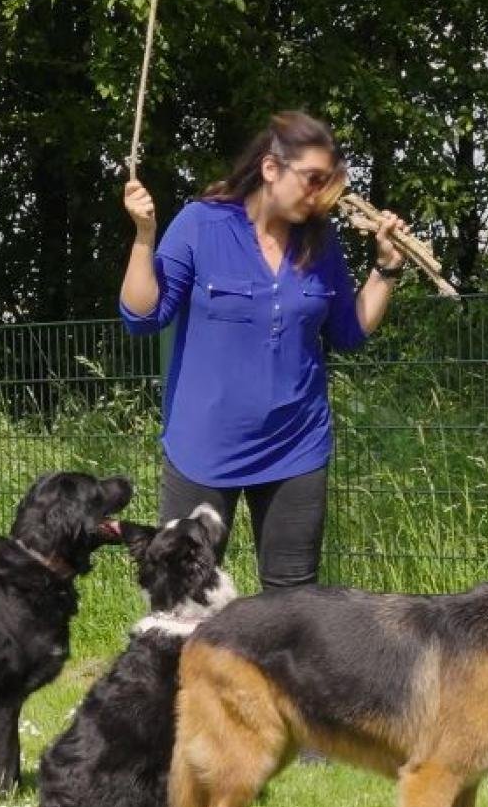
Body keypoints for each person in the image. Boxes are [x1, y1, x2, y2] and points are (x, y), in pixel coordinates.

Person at [118, 110, 404, 588]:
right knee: (183, 596)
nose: (320, 195)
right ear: (271, 169)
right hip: (202, 450)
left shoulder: (321, 243)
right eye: (312, 180)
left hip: (297, 446)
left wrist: (386, 269)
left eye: (328, 183)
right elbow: (143, 316)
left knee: (292, 603)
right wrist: (144, 238)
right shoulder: (200, 225)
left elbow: (349, 333)